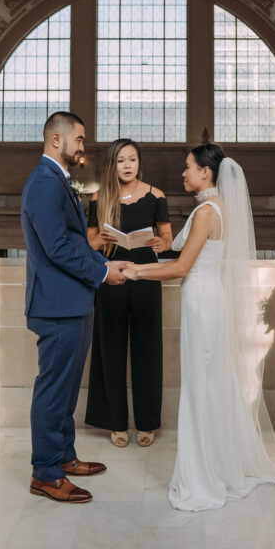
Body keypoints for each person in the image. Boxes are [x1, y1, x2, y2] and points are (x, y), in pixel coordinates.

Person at [124, 143, 275, 511]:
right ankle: (217, 462)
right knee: (209, 383)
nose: (183, 173)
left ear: (206, 172)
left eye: (188, 167)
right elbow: (186, 257)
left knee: (201, 385)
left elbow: (182, 269)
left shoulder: (205, 211)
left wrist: (134, 271)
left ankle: (203, 476)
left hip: (202, 301)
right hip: (207, 297)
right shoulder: (217, 207)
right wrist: (158, 250)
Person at [21, 112, 129, 504]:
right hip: (56, 304)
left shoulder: (57, 180)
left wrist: (103, 264)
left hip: (72, 301)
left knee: (66, 389)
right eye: (78, 140)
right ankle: (45, 473)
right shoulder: (44, 184)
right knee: (53, 389)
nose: (83, 147)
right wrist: (101, 276)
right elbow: (58, 249)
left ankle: (63, 457)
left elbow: (76, 242)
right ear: (56, 140)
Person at [85, 138, 172, 448]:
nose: (126, 165)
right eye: (121, 160)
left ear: (139, 163)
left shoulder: (156, 196)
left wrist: (162, 244)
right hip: (111, 279)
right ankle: (116, 421)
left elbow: (167, 236)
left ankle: (148, 422)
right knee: (111, 349)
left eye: (132, 160)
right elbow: (88, 243)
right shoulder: (99, 198)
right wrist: (99, 241)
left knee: (148, 350)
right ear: (113, 164)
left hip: (147, 277)